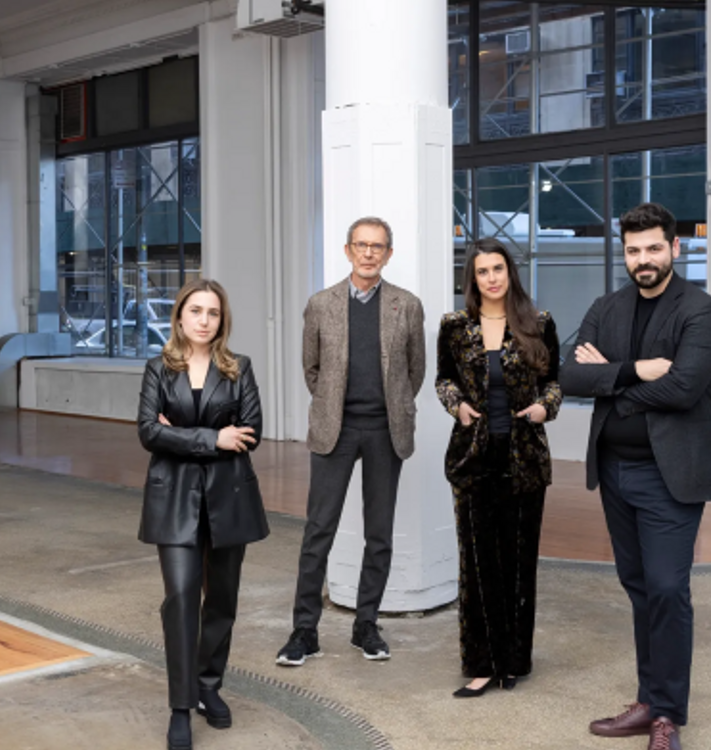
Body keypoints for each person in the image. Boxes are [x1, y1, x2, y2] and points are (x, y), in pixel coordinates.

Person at [558, 203, 711, 750]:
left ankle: (666, 717)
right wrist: (633, 370)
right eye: (633, 250)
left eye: (654, 248)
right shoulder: (607, 307)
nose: (643, 259)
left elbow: (683, 388)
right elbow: (567, 373)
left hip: (670, 475)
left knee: (668, 588)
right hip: (613, 472)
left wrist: (612, 385)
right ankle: (648, 698)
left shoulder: (701, 310)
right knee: (638, 589)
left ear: (674, 248)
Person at [276, 216, 426, 666]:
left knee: (379, 534)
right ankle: (304, 631)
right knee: (318, 531)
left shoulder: (408, 305)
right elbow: (311, 369)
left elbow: (413, 372)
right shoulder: (321, 304)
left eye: (377, 246)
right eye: (361, 245)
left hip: (385, 432)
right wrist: (331, 406)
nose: (368, 253)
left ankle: (366, 625)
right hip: (334, 431)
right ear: (347, 251)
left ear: (388, 254)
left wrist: (390, 404)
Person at [137, 279, 270, 750]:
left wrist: (182, 435)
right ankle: (180, 706)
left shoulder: (239, 369)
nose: (203, 320)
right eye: (195, 310)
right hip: (173, 499)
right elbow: (149, 433)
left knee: (221, 602)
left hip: (228, 499)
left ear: (221, 321)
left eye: (212, 313)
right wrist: (213, 437)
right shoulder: (157, 369)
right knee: (180, 598)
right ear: (179, 316)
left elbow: (251, 434)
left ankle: (208, 687)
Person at [435, 237, 562, 698]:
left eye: (498, 269)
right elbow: (444, 378)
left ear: (511, 273)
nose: (491, 278)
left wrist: (545, 408)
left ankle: (513, 661)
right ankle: (481, 664)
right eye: (482, 271)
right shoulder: (454, 326)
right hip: (473, 457)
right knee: (476, 563)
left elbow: (553, 384)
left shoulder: (538, 323)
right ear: (472, 278)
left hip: (525, 457)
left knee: (518, 562)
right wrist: (457, 406)